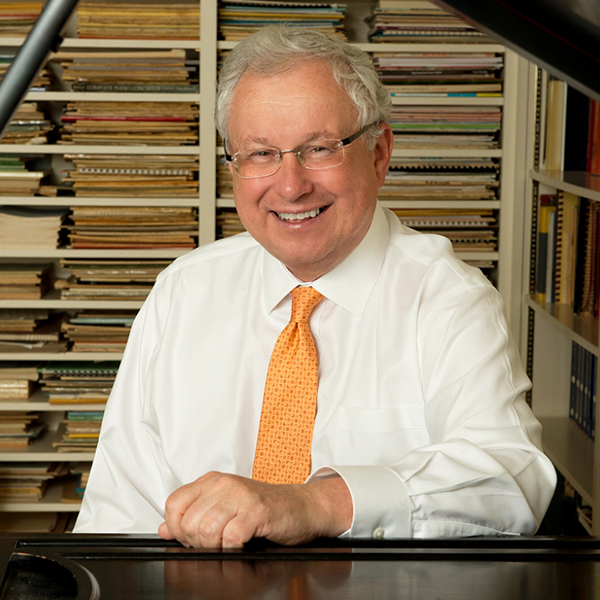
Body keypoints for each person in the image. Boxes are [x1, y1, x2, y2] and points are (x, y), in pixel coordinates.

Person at [74, 25, 556, 548]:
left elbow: (511, 478)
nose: (290, 185)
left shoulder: (449, 299)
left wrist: (311, 504)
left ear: (379, 153)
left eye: (319, 148)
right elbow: (115, 518)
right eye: (260, 154)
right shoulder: (182, 293)